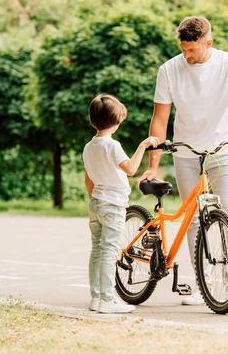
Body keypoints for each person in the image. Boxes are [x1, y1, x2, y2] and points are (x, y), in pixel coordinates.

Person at [138, 16, 228, 306]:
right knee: (193, 218)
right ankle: (202, 284)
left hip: (223, 149)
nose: (186, 55)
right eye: (183, 49)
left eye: (192, 50)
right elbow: (159, 119)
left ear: (208, 42)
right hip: (185, 151)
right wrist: (154, 164)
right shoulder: (169, 69)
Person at [83, 94, 159, 314]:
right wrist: (143, 146)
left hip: (96, 203)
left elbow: (88, 179)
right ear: (116, 122)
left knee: (96, 250)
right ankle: (108, 298)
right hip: (113, 204)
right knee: (108, 251)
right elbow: (131, 169)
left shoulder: (89, 147)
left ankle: (96, 297)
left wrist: (95, 200)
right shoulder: (111, 145)